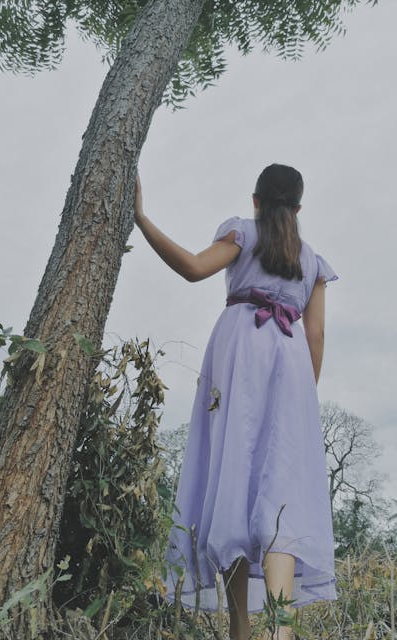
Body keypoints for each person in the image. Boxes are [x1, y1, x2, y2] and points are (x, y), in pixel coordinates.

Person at [133, 163, 339, 640]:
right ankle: (281, 632)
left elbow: (192, 268)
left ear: (255, 200)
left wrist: (142, 219)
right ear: (299, 208)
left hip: (240, 355)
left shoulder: (243, 234)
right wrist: (304, 400)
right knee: (280, 491)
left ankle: (241, 630)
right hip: (291, 369)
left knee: (233, 482)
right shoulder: (313, 262)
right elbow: (317, 335)